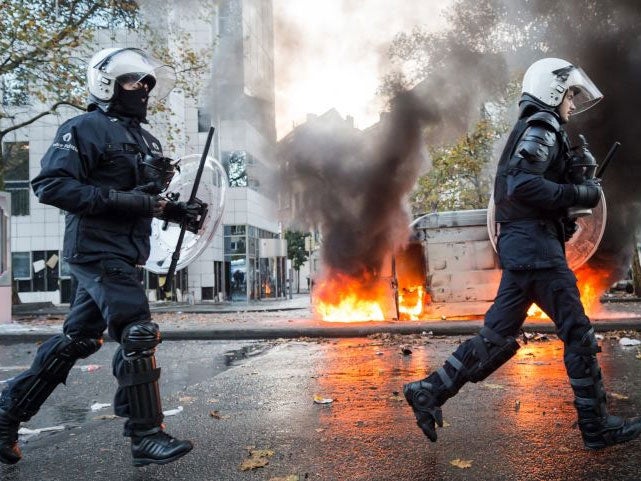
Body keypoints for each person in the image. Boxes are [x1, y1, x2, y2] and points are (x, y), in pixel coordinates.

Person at [404, 58, 641, 450]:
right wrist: (580, 194)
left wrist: (561, 213)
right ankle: (597, 428)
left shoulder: (534, 127)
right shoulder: (543, 126)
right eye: (568, 95)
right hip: (537, 255)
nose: (571, 104)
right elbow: (523, 186)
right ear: (551, 91)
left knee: (496, 337)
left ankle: (429, 390)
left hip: (526, 250)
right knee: (578, 334)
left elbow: (525, 194)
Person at [0, 47, 203, 466]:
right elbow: (50, 185)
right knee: (138, 332)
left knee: (78, 339)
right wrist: (126, 200)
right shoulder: (84, 128)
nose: (143, 89)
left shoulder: (147, 139)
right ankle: (145, 434)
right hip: (95, 248)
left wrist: (176, 211)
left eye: (147, 83)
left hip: (127, 252)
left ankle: (6, 415)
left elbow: (144, 201)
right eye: (133, 81)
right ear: (106, 84)